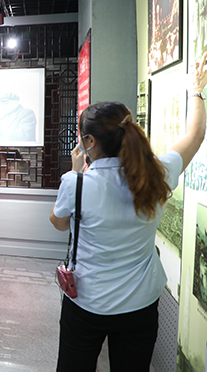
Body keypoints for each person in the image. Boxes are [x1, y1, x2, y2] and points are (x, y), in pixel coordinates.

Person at [50, 55, 207, 371]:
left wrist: (76, 171)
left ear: (89, 141)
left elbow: (59, 223)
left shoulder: (76, 183)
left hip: (87, 301)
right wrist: (196, 91)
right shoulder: (158, 173)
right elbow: (194, 136)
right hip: (140, 304)